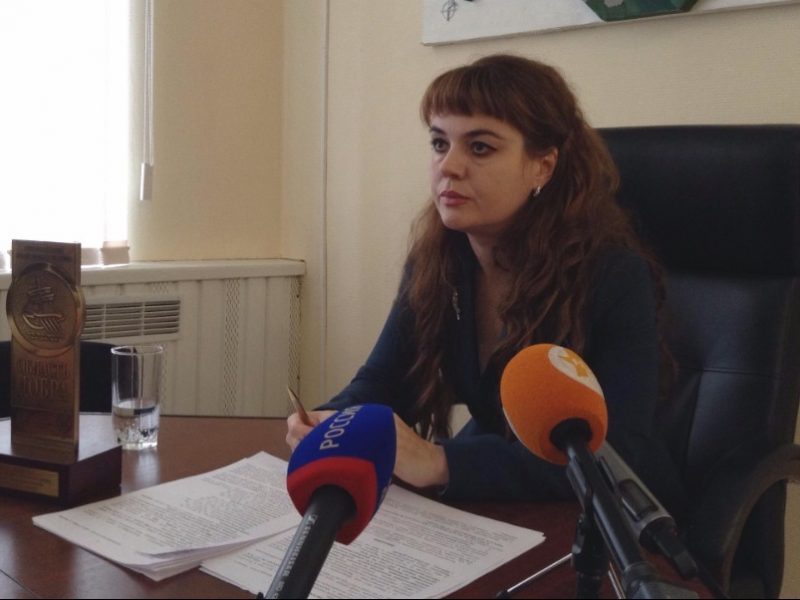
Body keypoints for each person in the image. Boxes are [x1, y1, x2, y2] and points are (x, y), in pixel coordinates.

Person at [286, 54, 687, 517]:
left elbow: (612, 454)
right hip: (502, 504)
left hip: (617, 520)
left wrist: (440, 461)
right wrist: (333, 422)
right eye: (440, 143)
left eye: (479, 148)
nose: (449, 166)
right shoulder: (439, 260)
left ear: (542, 167)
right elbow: (384, 380)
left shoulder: (612, 275)